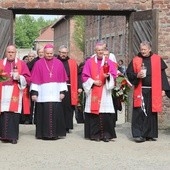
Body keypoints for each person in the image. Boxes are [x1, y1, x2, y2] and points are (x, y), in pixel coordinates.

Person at [126, 41, 170, 143]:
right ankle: (138, 134)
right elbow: (129, 73)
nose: (143, 51)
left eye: (145, 49)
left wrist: (163, 89)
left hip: (153, 90)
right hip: (141, 90)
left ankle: (150, 134)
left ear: (149, 49)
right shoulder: (136, 60)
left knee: (151, 112)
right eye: (141, 49)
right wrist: (137, 75)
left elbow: (162, 75)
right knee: (139, 112)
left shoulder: (157, 59)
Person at [30, 44, 68, 140]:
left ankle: (55, 134)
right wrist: (34, 93)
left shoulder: (59, 63)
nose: (49, 55)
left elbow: (62, 80)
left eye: (51, 53)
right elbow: (34, 79)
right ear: (44, 53)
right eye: (47, 53)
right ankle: (43, 134)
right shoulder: (38, 63)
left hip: (55, 92)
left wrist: (62, 92)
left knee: (56, 113)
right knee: (43, 113)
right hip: (43, 92)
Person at [82, 42, 117, 142]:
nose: (100, 52)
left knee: (105, 114)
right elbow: (84, 76)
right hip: (94, 90)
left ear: (104, 50)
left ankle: (106, 135)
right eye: (98, 50)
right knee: (94, 114)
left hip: (105, 90)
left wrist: (108, 77)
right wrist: (93, 82)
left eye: (102, 50)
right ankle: (95, 135)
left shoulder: (109, 62)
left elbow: (114, 75)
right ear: (95, 51)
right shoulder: (89, 62)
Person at [0, 45, 31, 144]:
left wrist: (19, 77)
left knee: (13, 113)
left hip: (15, 90)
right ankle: (3, 135)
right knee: (3, 113)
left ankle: (13, 136)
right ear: (6, 53)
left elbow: (28, 78)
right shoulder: (0, 63)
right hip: (3, 91)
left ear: (15, 53)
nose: (10, 54)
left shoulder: (22, 64)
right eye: (9, 52)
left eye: (12, 52)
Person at [56, 45, 82, 133]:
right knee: (58, 107)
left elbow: (78, 75)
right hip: (57, 87)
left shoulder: (72, 63)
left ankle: (67, 126)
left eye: (65, 53)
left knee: (68, 108)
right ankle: (59, 125)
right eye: (62, 53)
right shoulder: (55, 62)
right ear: (59, 52)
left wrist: (79, 86)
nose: (63, 54)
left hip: (70, 87)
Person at [21, 46, 44, 125]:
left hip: (44, 85)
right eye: (40, 53)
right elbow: (27, 70)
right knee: (33, 102)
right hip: (35, 84)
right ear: (38, 54)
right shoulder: (34, 61)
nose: (41, 54)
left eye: (42, 52)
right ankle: (31, 118)